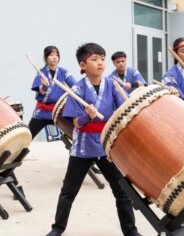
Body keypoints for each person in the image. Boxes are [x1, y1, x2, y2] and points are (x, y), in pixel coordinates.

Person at [47, 43, 140, 236]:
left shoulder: (112, 85)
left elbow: (124, 110)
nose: (100, 63)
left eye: (102, 59)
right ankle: (57, 229)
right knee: (68, 191)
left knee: (122, 192)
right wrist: (87, 115)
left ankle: (131, 232)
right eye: (94, 59)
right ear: (82, 65)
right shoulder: (76, 89)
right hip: (83, 146)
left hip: (106, 145)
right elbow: (77, 124)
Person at [28, 46, 76, 139]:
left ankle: (77, 151)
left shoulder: (64, 72)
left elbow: (76, 86)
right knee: (29, 135)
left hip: (59, 112)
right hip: (42, 112)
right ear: (46, 58)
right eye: (51, 55)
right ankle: (19, 152)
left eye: (56, 55)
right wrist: (45, 85)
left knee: (75, 134)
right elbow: (41, 91)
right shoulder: (41, 73)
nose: (55, 57)